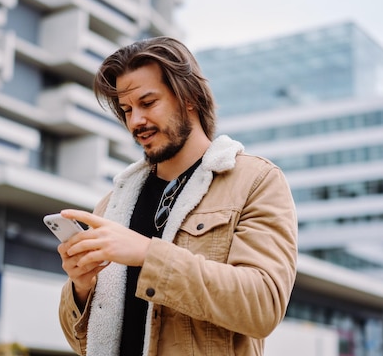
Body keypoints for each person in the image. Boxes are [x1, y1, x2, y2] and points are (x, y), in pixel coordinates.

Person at [56, 36, 298, 356]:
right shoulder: (112, 203)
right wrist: (81, 287)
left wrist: (147, 254)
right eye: (127, 110)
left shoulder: (256, 182)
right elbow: (80, 344)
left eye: (148, 102)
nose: (135, 121)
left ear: (190, 98)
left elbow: (263, 305)